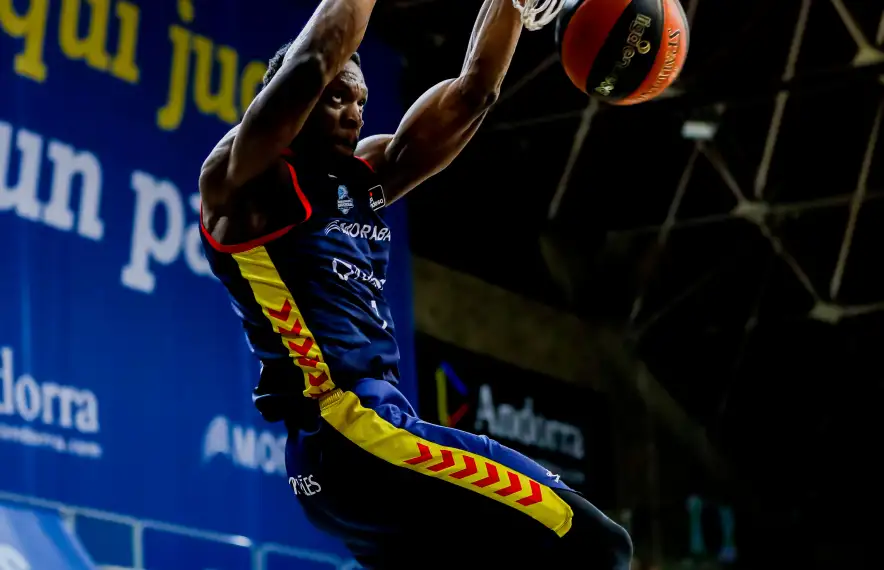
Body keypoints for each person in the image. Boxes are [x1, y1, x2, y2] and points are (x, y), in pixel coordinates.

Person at [198, 0, 633, 567]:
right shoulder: (247, 182)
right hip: (351, 431)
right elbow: (312, 59)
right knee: (593, 540)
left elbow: (474, 92)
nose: (354, 112)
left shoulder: (367, 175)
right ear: (290, 101)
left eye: (361, 100)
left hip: (349, 459)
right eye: (338, 96)